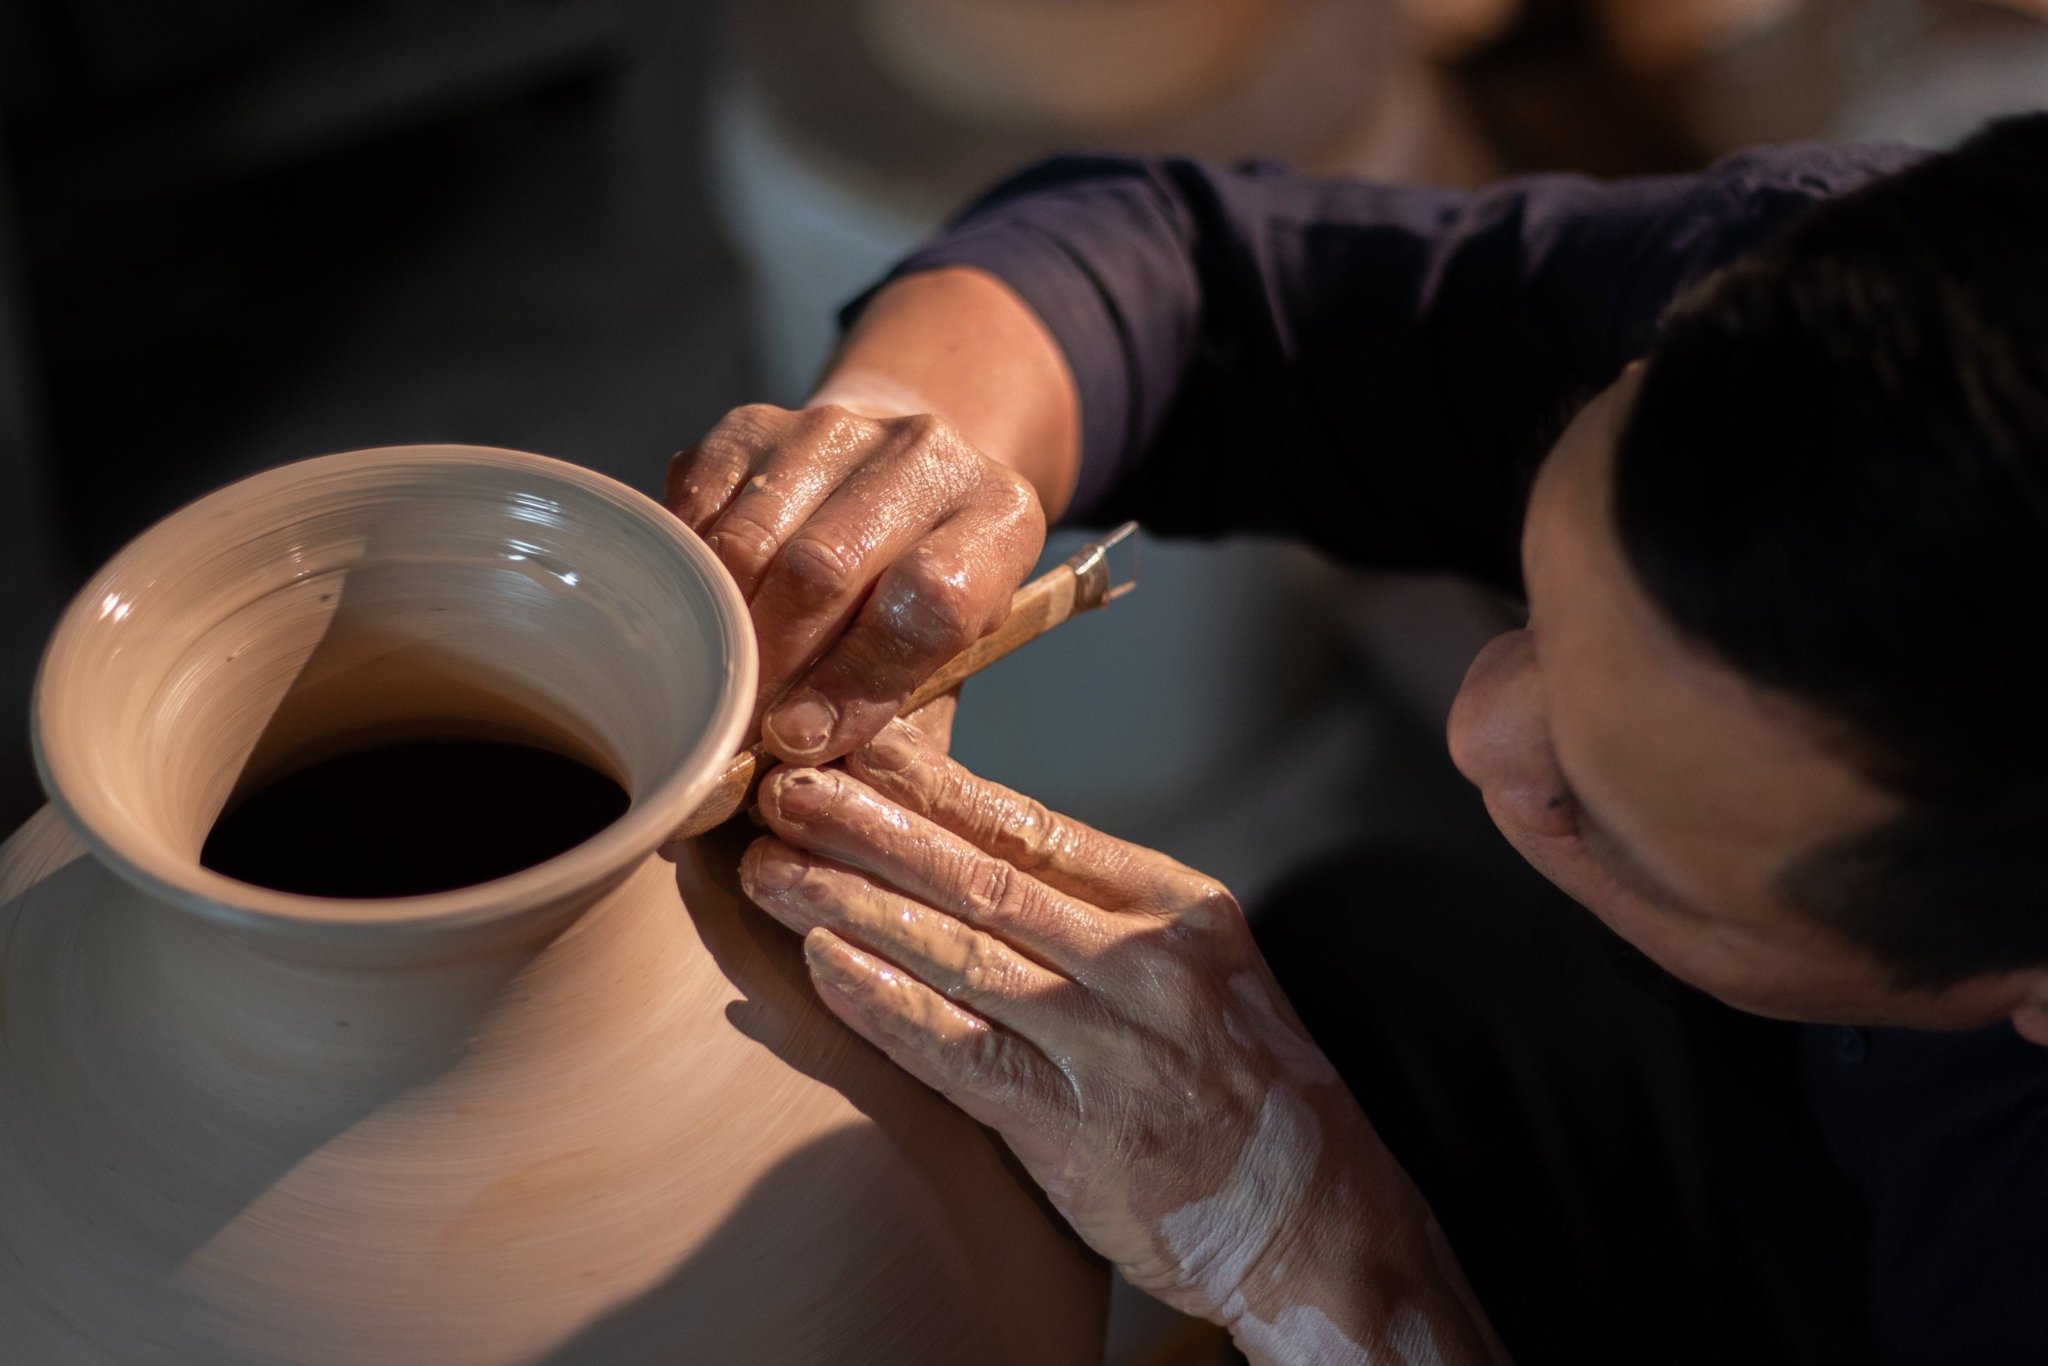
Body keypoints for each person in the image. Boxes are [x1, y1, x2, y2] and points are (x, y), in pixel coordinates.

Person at [662, 114, 2048, 1363]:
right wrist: (905, 466)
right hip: (1794, 1184)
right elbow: (1191, 274)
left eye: (1602, 816)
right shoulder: (1899, 330)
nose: (1472, 726)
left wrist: (1332, 1280)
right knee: (1371, 971)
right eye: (1545, 595)